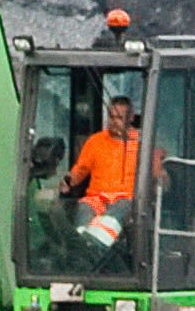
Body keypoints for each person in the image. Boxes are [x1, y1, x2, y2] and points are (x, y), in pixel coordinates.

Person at [60, 90, 152, 256]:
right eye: (111, 117)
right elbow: (81, 169)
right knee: (84, 209)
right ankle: (81, 248)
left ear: (131, 118)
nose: (113, 122)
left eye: (119, 118)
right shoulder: (95, 141)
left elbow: (154, 172)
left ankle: (95, 245)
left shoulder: (142, 143)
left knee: (118, 210)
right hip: (97, 198)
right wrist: (68, 181)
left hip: (127, 199)